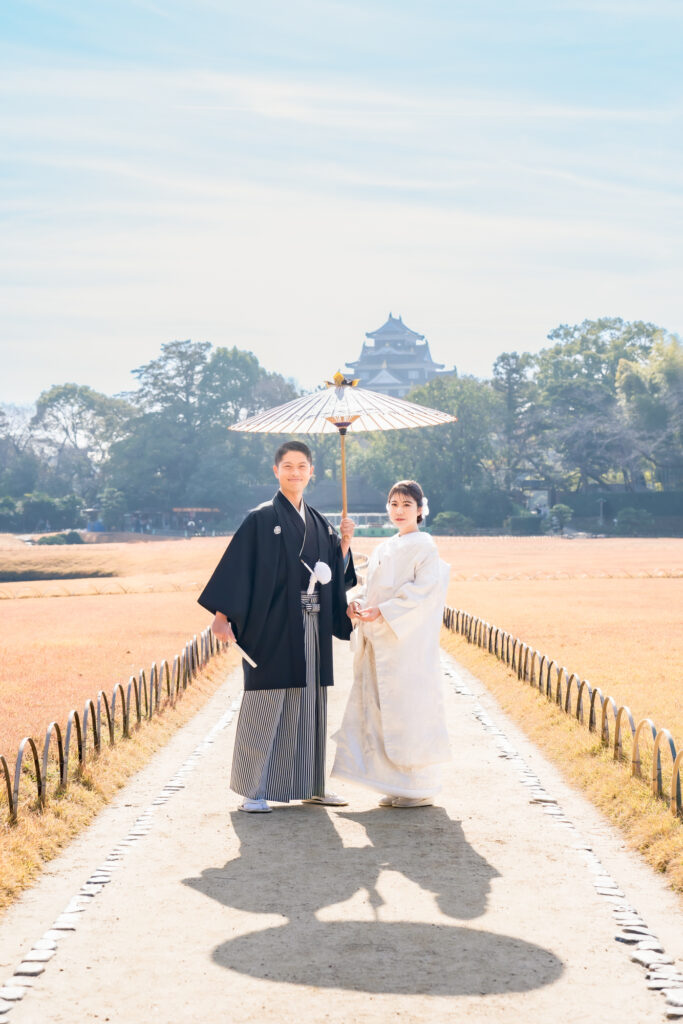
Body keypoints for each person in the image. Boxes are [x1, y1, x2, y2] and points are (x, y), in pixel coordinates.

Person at [198, 441, 356, 813]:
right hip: (272, 625)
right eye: (288, 466)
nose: (295, 472)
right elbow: (239, 568)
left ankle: (311, 784)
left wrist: (344, 546)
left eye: (302, 466)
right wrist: (221, 614)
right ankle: (253, 790)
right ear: (275, 471)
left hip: (313, 624)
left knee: (310, 704)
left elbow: (336, 574)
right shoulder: (261, 518)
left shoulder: (320, 521)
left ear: (311, 471)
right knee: (266, 700)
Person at [332, 479, 450, 808]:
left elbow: (422, 592)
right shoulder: (385, 548)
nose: (399, 511)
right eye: (394, 504)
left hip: (407, 646)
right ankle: (394, 783)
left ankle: (418, 786)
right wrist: (357, 603)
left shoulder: (425, 546)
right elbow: (372, 590)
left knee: (410, 711)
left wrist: (383, 611)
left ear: (421, 510)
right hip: (380, 640)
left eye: (407, 505)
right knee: (380, 711)